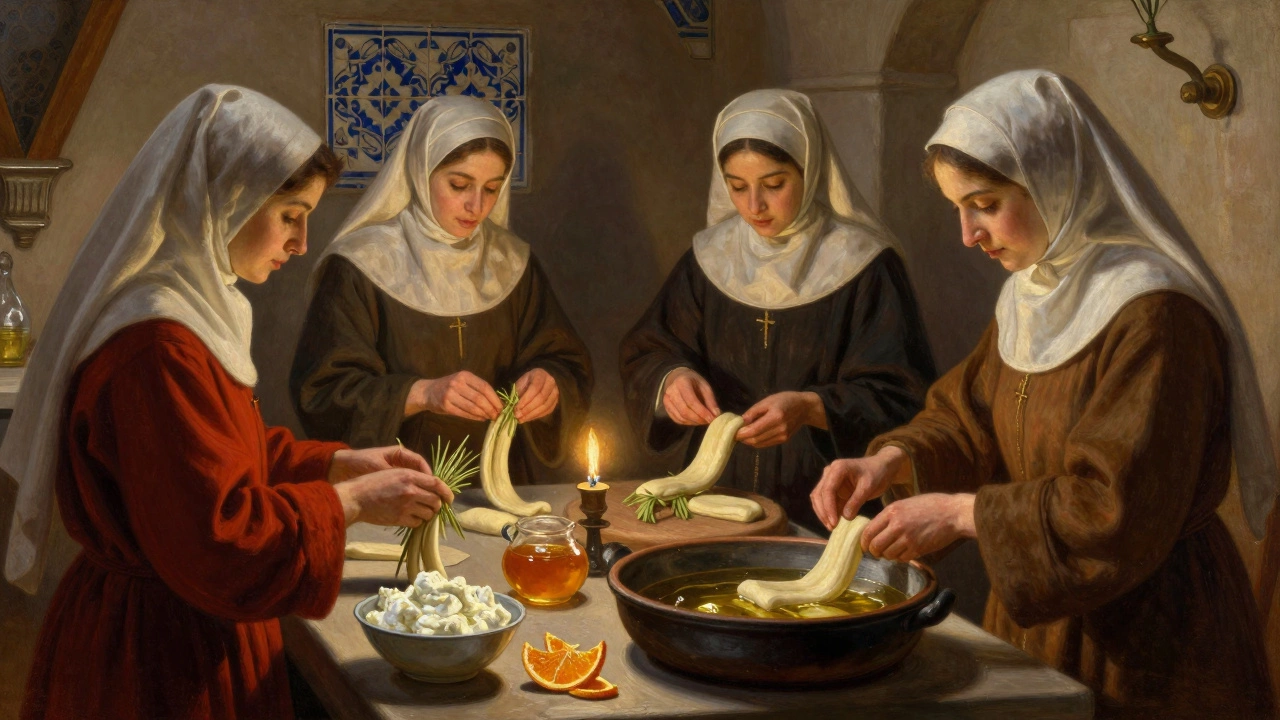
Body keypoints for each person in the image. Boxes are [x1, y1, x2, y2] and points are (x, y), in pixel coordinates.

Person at [810, 70, 1276, 718]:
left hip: (1155, 639)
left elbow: (1114, 507)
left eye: (985, 203)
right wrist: (890, 461)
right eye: (958, 209)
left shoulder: (1156, 314)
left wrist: (958, 514)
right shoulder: (1034, 295)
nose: (968, 235)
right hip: (1039, 621)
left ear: (1057, 180)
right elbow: (966, 416)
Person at [1, 85, 453, 719]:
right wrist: (350, 503)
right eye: (291, 213)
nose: (301, 243)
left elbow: (218, 452)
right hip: (159, 661)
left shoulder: (189, 314)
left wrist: (334, 465)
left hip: (177, 629)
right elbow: (216, 541)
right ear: (224, 200)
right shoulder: (156, 347)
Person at [620, 89, 935, 532]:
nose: (754, 206)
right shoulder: (712, 255)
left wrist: (810, 407)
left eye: (773, 184)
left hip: (827, 501)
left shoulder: (866, 264)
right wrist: (672, 379)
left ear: (811, 170)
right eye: (737, 186)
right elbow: (649, 348)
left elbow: (905, 395)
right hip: (717, 496)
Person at [292, 96, 591, 484]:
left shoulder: (512, 261)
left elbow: (565, 362)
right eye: (459, 184)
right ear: (420, 171)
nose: (476, 205)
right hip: (391, 487)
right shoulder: (360, 264)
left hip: (500, 482)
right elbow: (321, 393)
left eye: (492, 188)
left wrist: (549, 383)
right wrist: (421, 393)